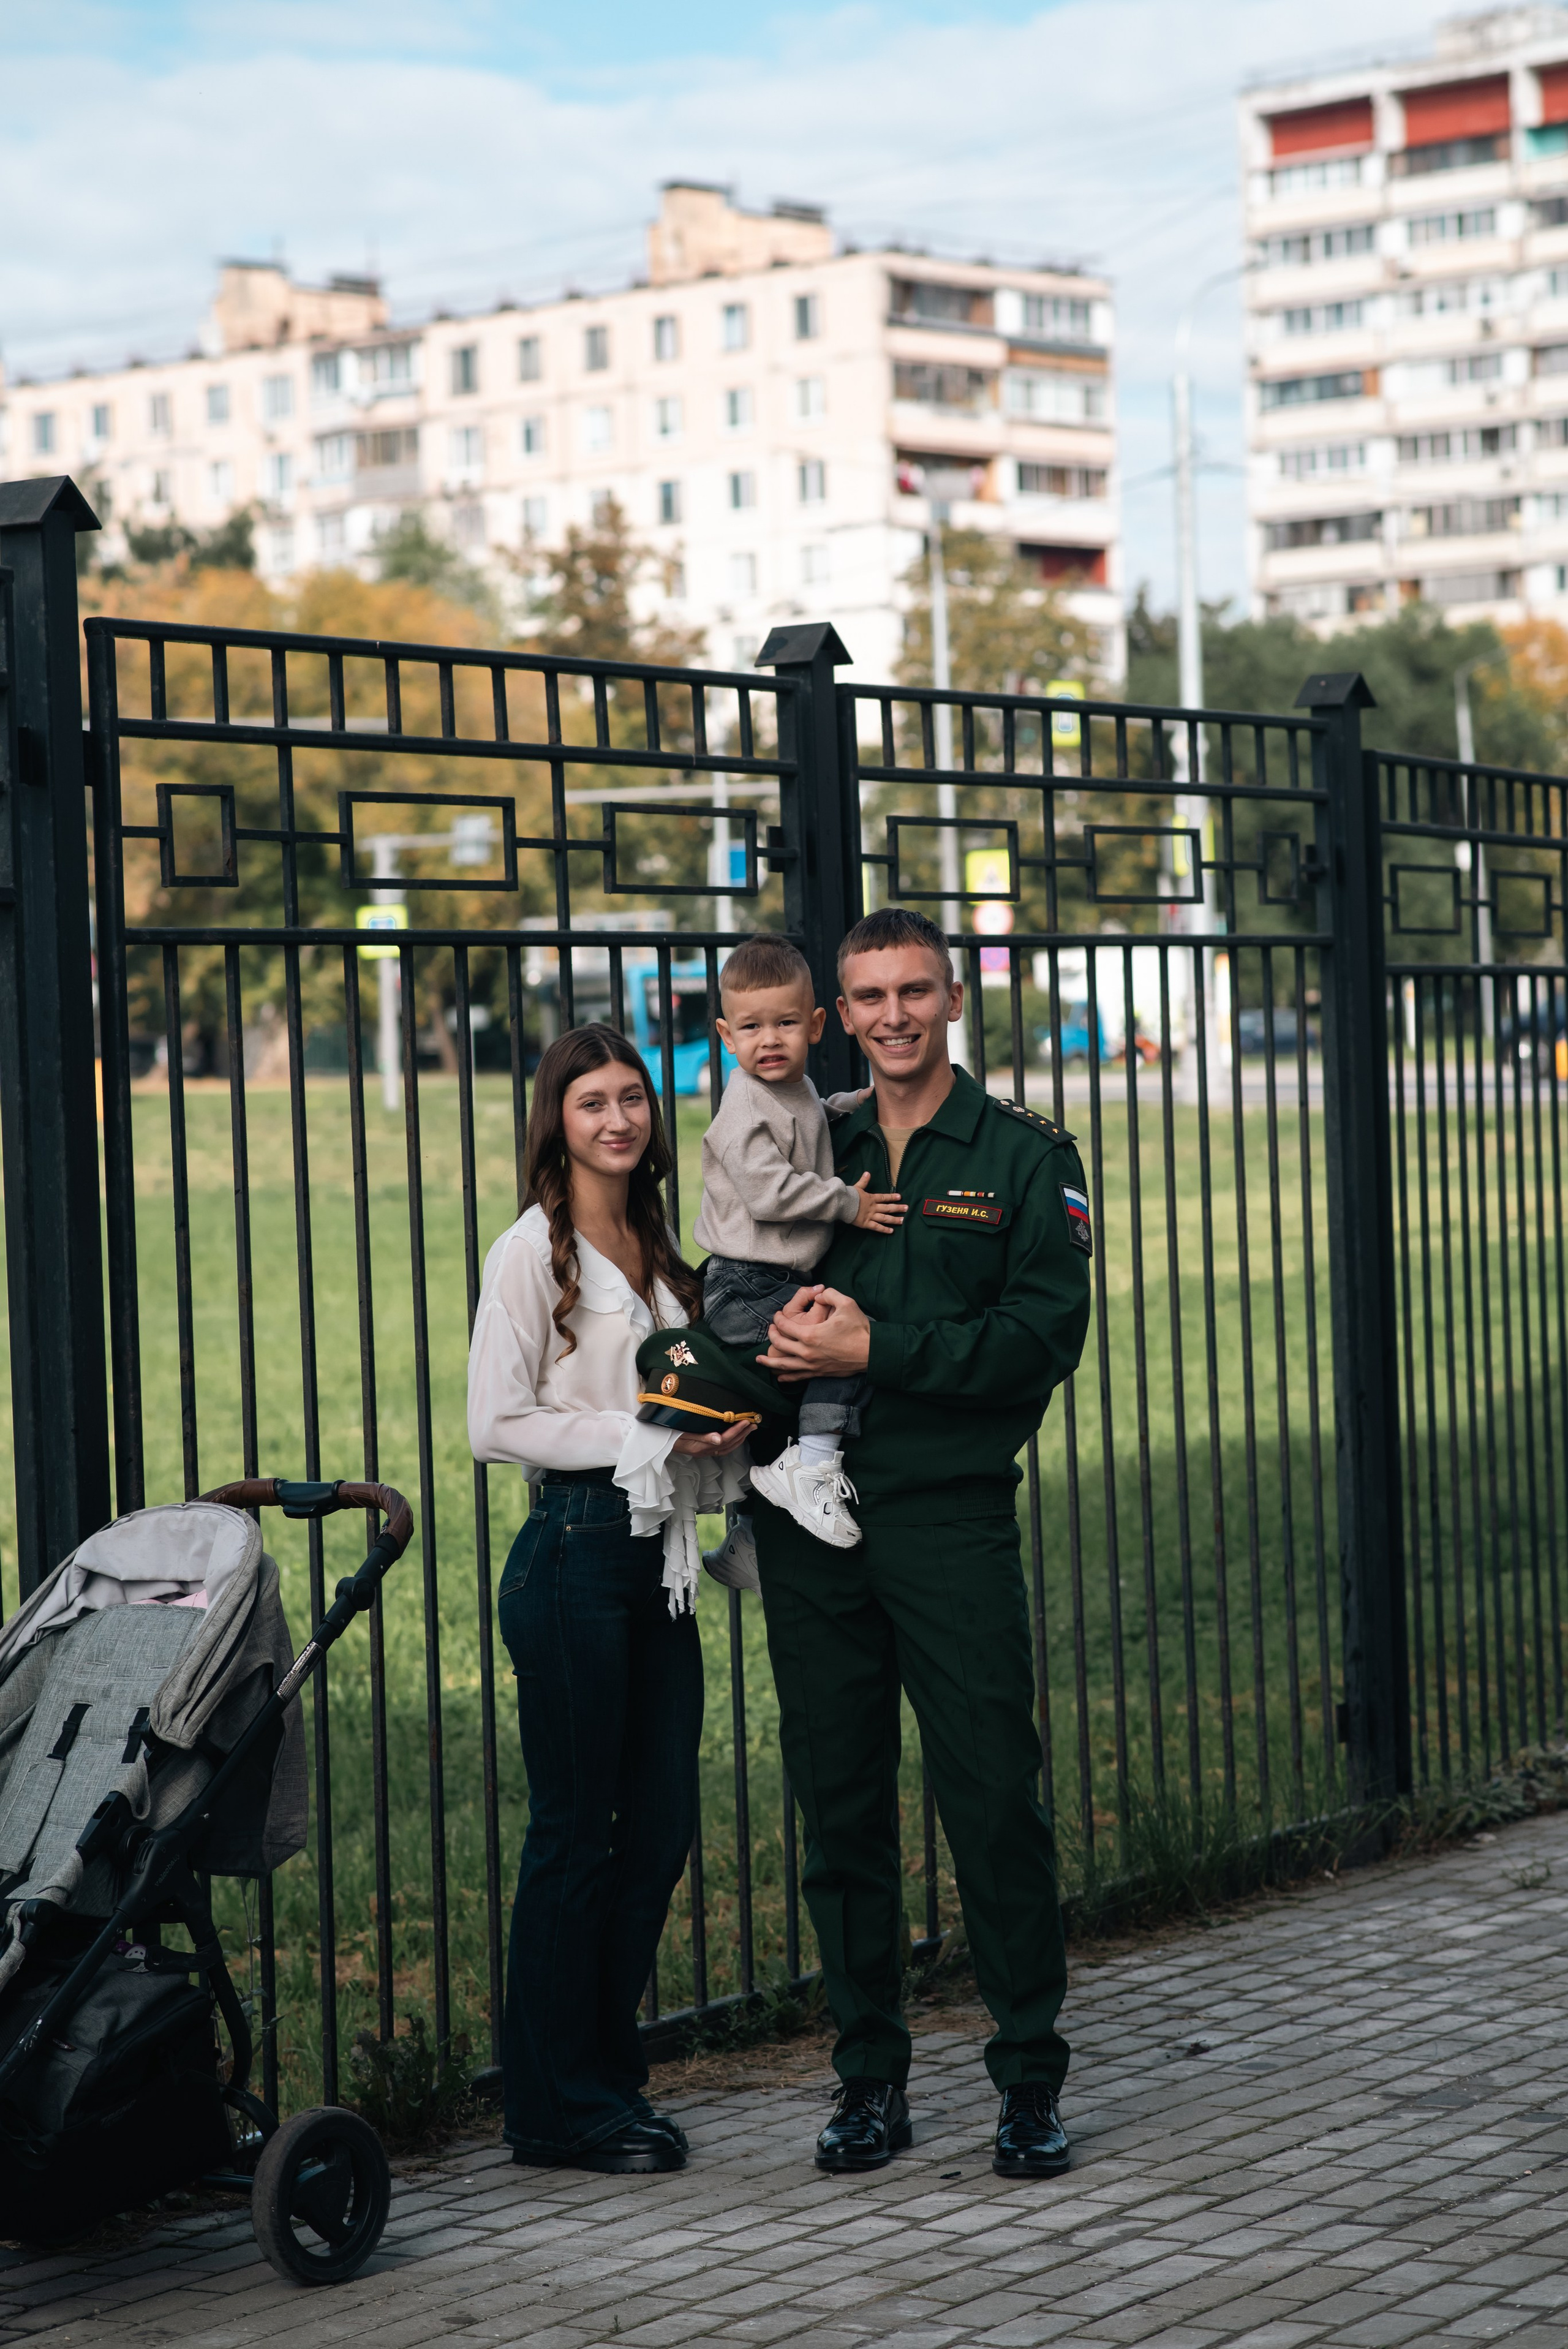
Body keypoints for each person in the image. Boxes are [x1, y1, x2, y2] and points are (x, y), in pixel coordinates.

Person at [750, 907, 1093, 2181]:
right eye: (865, 997)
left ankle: (1026, 2079)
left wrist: (873, 1352)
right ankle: (866, 2080)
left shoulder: (1015, 1156)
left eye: (912, 991)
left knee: (991, 1795)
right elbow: (729, 1288)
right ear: (835, 1013)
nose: (889, 1015)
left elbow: (1036, 1343)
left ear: (950, 1000)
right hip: (808, 1526)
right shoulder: (804, 1141)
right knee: (838, 1806)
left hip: (946, 1517)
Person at [466, 1023, 750, 2175]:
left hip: (660, 1565)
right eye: (593, 1103)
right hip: (573, 1558)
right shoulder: (532, 1252)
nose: (620, 1120)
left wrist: (722, 1435)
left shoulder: (658, 1244)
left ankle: (599, 2070)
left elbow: (679, 1416)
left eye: (633, 1099)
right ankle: (554, 2105)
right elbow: (495, 1423)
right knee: (578, 1837)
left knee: (661, 1829)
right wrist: (641, 1432)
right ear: (556, 1121)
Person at [693, 932, 905, 1578]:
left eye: (786, 1023)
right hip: (743, 1286)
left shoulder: (793, 1088)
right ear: (727, 1036)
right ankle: (811, 1462)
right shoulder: (742, 1104)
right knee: (835, 1345)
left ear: (815, 1025)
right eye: (752, 1027)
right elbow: (768, 1189)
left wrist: (850, 1104)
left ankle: (752, 1530)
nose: (770, 1040)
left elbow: (808, 1118)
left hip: (771, 1277)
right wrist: (849, 1204)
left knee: (785, 1389)